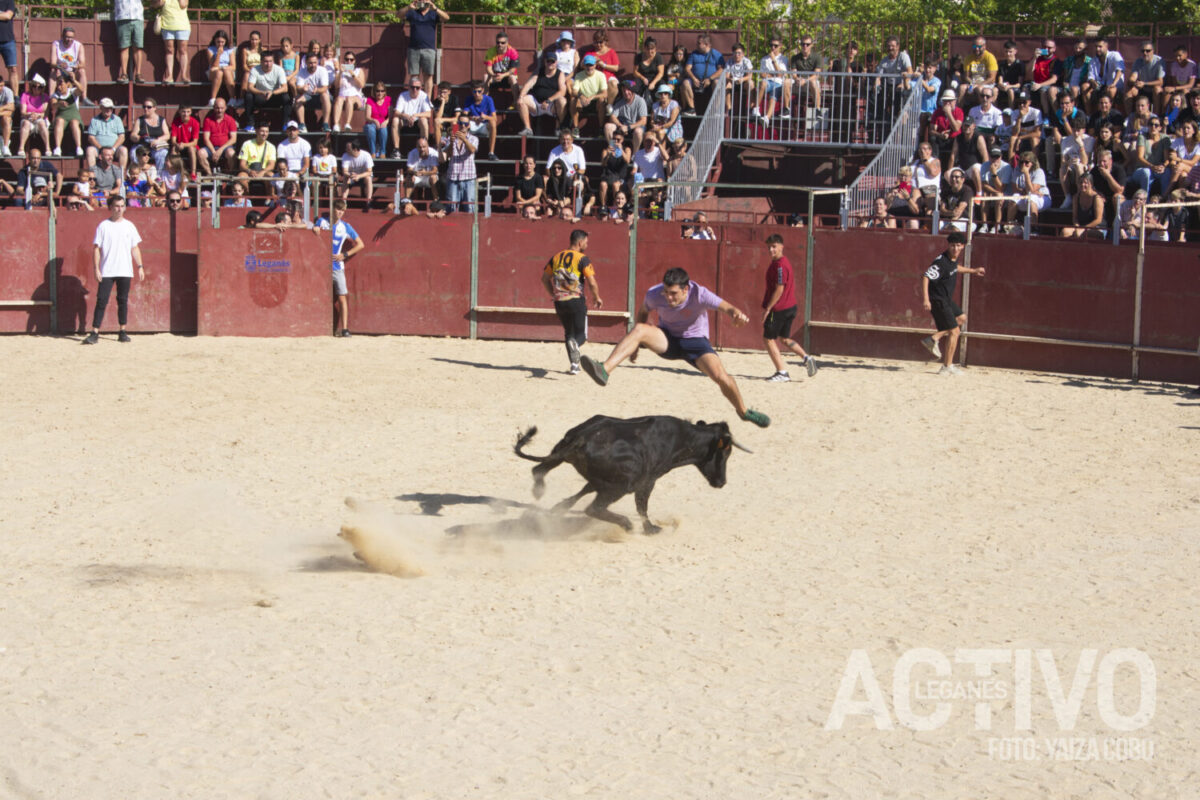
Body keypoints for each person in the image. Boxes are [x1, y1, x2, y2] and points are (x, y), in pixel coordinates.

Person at [579, 267, 770, 427]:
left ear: (686, 289)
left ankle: (744, 412)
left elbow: (728, 308)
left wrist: (738, 316)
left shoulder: (700, 294)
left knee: (721, 376)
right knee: (638, 329)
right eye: (666, 292)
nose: (669, 298)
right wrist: (635, 345)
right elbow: (643, 312)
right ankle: (604, 370)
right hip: (668, 338)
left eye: (674, 294)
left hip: (696, 343)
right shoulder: (655, 294)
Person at [919, 231, 984, 375]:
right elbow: (925, 277)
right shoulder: (941, 261)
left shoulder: (951, 260)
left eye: (958, 246)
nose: (955, 248)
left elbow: (955, 268)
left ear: (962, 247)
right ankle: (947, 366)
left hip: (946, 299)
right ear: (948, 246)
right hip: (938, 300)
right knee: (955, 331)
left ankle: (934, 338)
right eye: (952, 246)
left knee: (961, 318)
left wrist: (972, 271)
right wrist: (926, 299)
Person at [82, 196, 144, 345]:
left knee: (122, 300)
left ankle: (122, 331)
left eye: (122, 206)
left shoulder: (129, 226)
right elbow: (96, 249)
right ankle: (95, 332)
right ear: (110, 207)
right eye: (116, 206)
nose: (119, 209)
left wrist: (140, 266)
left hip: (125, 269)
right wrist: (97, 268)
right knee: (101, 300)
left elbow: (135, 248)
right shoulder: (103, 226)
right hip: (107, 270)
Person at [542, 228, 604, 374]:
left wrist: (553, 294)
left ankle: (574, 366)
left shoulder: (556, 257)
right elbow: (592, 282)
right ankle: (575, 348)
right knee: (581, 335)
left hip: (559, 301)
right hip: (575, 300)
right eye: (586, 243)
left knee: (568, 333)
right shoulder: (582, 258)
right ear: (580, 242)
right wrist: (597, 297)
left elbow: (544, 279)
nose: (587, 245)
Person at [759, 234, 816, 382]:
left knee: (768, 339)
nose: (771, 250)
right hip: (790, 306)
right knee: (784, 339)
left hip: (779, 308)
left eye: (774, 246)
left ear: (781, 247)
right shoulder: (781, 263)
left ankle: (782, 372)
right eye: (769, 247)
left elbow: (779, 288)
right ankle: (806, 358)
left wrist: (768, 309)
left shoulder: (780, 265)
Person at [315, 198, 363, 337]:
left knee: (342, 296)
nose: (340, 213)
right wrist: (315, 228)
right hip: (321, 265)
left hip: (336, 265)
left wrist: (345, 254)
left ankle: (345, 328)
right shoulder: (322, 222)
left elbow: (360, 244)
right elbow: (315, 230)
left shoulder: (346, 227)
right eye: (338, 209)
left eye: (342, 210)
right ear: (333, 209)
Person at [516, 53, 567, 136]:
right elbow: (528, 84)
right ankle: (528, 128)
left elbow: (562, 91)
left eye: (552, 61)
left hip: (552, 106)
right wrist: (521, 96)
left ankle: (558, 128)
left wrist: (549, 100)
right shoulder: (539, 71)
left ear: (556, 62)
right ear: (545, 61)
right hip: (536, 104)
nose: (550, 63)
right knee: (521, 101)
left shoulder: (560, 74)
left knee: (562, 101)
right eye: (548, 61)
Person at [405, 0, 447, 96]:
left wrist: (435, 8)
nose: (422, 1)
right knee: (414, 76)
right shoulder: (413, 13)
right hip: (414, 49)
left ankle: (427, 100)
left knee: (428, 76)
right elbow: (398, 15)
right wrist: (408, 7)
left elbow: (446, 18)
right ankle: (414, 97)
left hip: (429, 49)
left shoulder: (433, 14)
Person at [243, 51, 292, 130]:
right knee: (248, 95)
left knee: (286, 97)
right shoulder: (255, 70)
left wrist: (272, 92)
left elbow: (285, 88)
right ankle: (250, 124)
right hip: (260, 97)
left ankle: (285, 125)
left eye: (270, 61)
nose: (268, 64)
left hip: (274, 97)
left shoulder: (279, 70)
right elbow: (250, 87)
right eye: (266, 61)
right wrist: (261, 92)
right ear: (261, 61)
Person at [681, 33, 724, 116]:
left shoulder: (717, 55)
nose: (696, 45)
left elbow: (721, 70)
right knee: (685, 83)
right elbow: (687, 68)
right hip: (695, 82)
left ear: (706, 44)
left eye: (699, 43)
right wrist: (693, 79)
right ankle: (691, 109)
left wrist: (710, 79)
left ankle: (715, 110)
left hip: (710, 81)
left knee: (717, 84)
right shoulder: (694, 54)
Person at [389, 76, 432, 157]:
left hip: (417, 122)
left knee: (424, 120)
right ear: (408, 87)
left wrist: (416, 115)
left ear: (421, 88)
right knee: (395, 120)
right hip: (405, 122)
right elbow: (396, 112)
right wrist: (404, 115)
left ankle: (424, 148)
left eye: (417, 87)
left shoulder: (424, 96)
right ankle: (396, 150)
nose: (415, 90)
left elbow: (429, 114)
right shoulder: (403, 95)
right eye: (412, 87)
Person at [440, 123, 477, 213]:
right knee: (451, 207)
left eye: (465, 124)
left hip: (469, 177)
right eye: (460, 123)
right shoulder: (450, 139)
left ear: (469, 126)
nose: (463, 126)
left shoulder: (474, 138)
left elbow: (472, 150)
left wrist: (464, 139)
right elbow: (448, 155)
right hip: (453, 176)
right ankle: (452, 227)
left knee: (470, 207)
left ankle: (470, 226)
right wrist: (452, 143)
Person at [153, 0, 191, 85]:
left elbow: (183, 4)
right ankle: (170, 76)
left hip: (182, 26)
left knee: (183, 50)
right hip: (167, 26)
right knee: (169, 50)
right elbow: (155, 5)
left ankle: (184, 75)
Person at [605, 80, 648, 152]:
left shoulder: (640, 101)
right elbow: (612, 117)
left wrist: (628, 127)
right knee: (608, 126)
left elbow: (643, 121)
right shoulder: (620, 101)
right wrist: (620, 126)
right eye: (624, 90)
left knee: (638, 131)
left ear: (633, 90)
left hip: (635, 127)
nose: (626, 92)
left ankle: (635, 155)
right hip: (622, 126)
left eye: (628, 90)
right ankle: (613, 150)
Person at [569, 55, 607, 135]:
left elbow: (605, 93)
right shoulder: (579, 75)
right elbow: (574, 91)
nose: (589, 67)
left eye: (591, 65)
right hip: (583, 102)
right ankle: (576, 128)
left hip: (595, 102)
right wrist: (581, 96)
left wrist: (592, 97)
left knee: (602, 100)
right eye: (587, 65)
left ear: (595, 65)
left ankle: (601, 128)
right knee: (573, 100)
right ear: (584, 66)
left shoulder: (601, 75)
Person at [293, 52, 331, 132]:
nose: (313, 65)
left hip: (320, 95)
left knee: (325, 95)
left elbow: (324, 88)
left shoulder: (322, 70)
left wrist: (317, 90)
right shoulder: (302, 71)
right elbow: (298, 87)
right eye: (310, 63)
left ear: (317, 62)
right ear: (306, 63)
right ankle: (302, 125)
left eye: (315, 62)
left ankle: (325, 124)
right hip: (308, 95)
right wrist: (303, 89)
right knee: (298, 99)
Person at [199, 97, 238, 174]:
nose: (219, 110)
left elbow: (233, 139)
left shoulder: (230, 120)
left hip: (225, 148)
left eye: (222, 108)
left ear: (225, 108)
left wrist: (220, 150)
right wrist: (214, 152)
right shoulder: (208, 120)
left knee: (231, 153)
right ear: (213, 108)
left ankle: (230, 175)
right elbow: (206, 139)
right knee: (200, 153)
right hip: (211, 148)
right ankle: (209, 174)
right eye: (217, 108)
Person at [461, 80, 497, 160]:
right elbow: (464, 114)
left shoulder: (488, 99)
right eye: (474, 91)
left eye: (479, 91)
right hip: (472, 124)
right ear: (472, 91)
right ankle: (457, 150)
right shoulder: (469, 99)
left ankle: (491, 152)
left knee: (493, 123)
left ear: (483, 90)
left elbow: (495, 118)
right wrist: (472, 118)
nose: (477, 94)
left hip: (484, 125)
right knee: (461, 122)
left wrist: (485, 117)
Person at [50, 26, 88, 100]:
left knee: (82, 71)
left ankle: (84, 97)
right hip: (61, 70)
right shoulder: (56, 44)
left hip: (73, 71)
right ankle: (51, 96)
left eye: (71, 37)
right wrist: (59, 65)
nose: (69, 39)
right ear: (62, 36)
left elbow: (83, 64)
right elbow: (52, 63)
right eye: (67, 37)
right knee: (53, 71)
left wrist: (76, 66)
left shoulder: (78, 45)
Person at [17, 74, 50, 158]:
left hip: (40, 118)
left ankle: (47, 148)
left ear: (42, 88)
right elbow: (22, 112)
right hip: (27, 117)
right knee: (26, 124)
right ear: (31, 86)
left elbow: (45, 112)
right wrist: (29, 114)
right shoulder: (25, 95)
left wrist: (38, 115)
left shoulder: (45, 97)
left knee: (42, 124)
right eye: (34, 86)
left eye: (39, 87)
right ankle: (21, 148)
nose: (36, 88)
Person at [50, 74, 83, 157]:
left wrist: (74, 80)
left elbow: (81, 90)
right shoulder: (56, 95)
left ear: (67, 84)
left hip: (73, 115)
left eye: (61, 84)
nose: (59, 87)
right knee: (59, 121)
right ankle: (57, 147)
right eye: (58, 84)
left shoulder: (72, 92)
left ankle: (78, 147)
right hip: (62, 116)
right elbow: (53, 105)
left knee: (74, 123)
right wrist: (59, 103)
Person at [331, 50, 365, 133]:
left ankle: (347, 124)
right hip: (342, 95)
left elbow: (361, 85)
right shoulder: (340, 72)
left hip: (356, 96)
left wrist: (352, 73)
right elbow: (336, 85)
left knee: (349, 99)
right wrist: (340, 73)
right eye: (347, 59)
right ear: (344, 61)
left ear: (354, 61)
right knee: (339, 99)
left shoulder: (358, 70)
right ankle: (335, 125)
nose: (349, 61)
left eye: (351, 60)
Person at [113, 0, 145, 85]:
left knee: (138, 47)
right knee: (124, 47)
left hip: (137, 16)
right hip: (122, 16)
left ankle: (138, 74)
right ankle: (124, 74)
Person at [482, 31, 519, 97]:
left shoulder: (513, 52)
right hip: (495, 76)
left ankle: (516, 103)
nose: (500, 44)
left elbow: (512, 70)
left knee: (513, 78)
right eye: (498, 42)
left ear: (507, 43)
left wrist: (503, 75)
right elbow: (488, 68)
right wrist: (494, 75)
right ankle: (485, 101)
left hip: (507, 77)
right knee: (486, 77)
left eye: (503, 43)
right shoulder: (491, 51)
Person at [204, 29, 236, 106]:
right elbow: (213, 66)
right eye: (218, 42)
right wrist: (218, 54)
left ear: (225, 41)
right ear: (215, 41)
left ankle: (233, 99)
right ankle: (212, 99)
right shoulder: (210, 50)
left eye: (222, 42)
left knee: (225, 71)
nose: (220, 44)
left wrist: (222, 68)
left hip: (227, 71)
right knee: (219, 73)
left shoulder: (229, 50)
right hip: (214, 72)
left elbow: (233, 66)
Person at [339, 138, 374, 207]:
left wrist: (359, 176)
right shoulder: (345, 156)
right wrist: (351, 175)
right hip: (351, 176)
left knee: (368, 178)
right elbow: (344, 171)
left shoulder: (366, 155)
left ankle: (368, 202)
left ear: (355, 149)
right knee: (346, 178)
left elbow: (369, 172)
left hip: (363, 176)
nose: (346, 150)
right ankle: (343, 201)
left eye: (348, 149)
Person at [170, 104, 200, 177]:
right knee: (173, 149)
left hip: (190, 146)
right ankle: (174, 172)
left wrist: (183, 144)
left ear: (191, 112)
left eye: (188, 112)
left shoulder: (195, 123)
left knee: (191, 149)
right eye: (183, 112)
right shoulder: (175, 123)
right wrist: (177, 144)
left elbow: (195, 142)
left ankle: (193, 173)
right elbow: (173, 140)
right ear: (179, 112)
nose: (186, 114)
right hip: (179, 145)